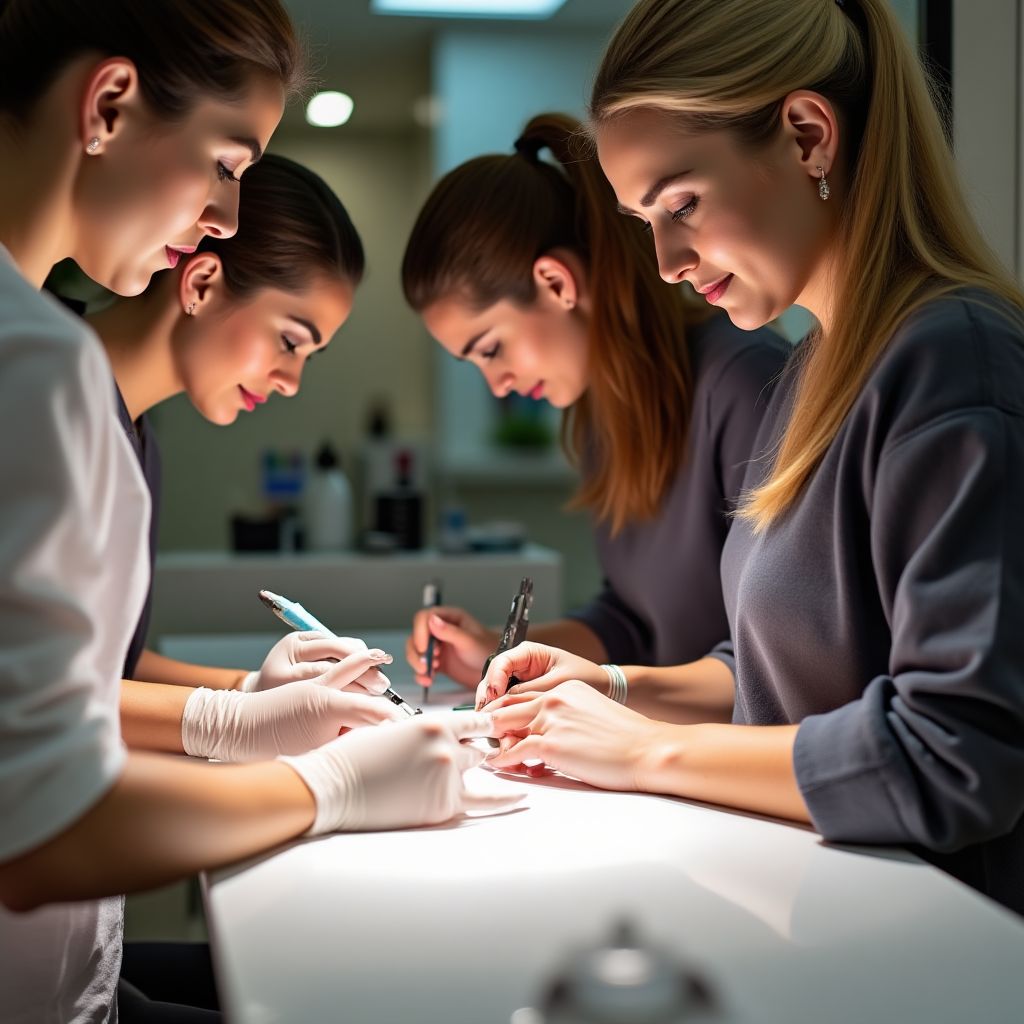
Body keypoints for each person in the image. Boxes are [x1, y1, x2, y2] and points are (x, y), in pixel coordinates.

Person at [0, 4, 515, 1023]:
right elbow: (38, 819)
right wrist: (320, 779)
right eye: (226, 165)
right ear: (106, 105)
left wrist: (244, 707)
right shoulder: (35, 360)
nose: (223, 220)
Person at [480, 0, 1024, 918]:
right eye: (643, 219)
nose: (664, 261)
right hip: (818, 907)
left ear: (810, 136)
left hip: (938, 943)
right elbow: (785, 667)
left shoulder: (952, 363)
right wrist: (614, 687)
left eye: (681, 203)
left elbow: (956, 755)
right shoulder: (814, 372)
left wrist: (642, 750)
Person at [402, 112, 788, 721]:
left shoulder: (746, 382)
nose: (497, 382)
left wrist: (611, 689)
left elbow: (773, 668)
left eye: (490, 348)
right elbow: (633, 620)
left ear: (556, 283)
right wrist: (503, 652)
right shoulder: (606, 416)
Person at [83, 153, 398, 738]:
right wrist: (231, 720)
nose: (290, 381)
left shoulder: (136, 439)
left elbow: (107, 667)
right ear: (200, 283)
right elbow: (35, 688)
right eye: (288, 340)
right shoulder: (43, 395)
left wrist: (247, 688)